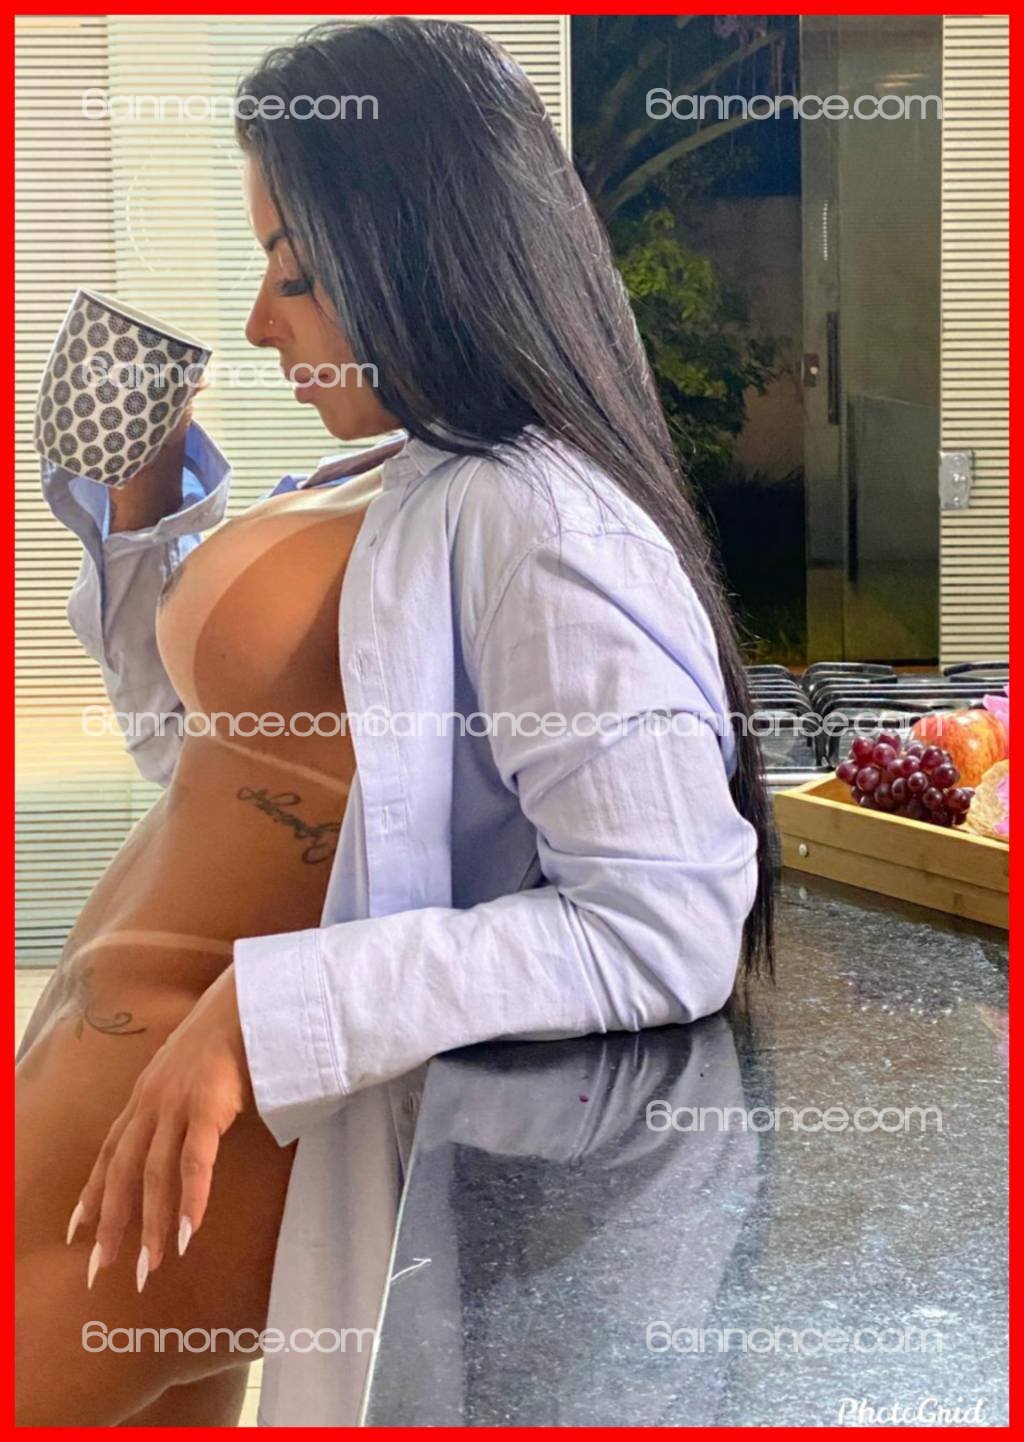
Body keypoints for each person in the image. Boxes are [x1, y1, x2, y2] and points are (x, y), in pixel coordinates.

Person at [16, 16, 773, 1426]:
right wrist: (141, 508)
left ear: (421, 258)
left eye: (296, 275)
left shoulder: (545, 522)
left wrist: (265, 1015)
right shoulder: (394, 470)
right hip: (131, 1078)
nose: (262, 325)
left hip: (212, 1113)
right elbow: (215, 771)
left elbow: (664, 921)